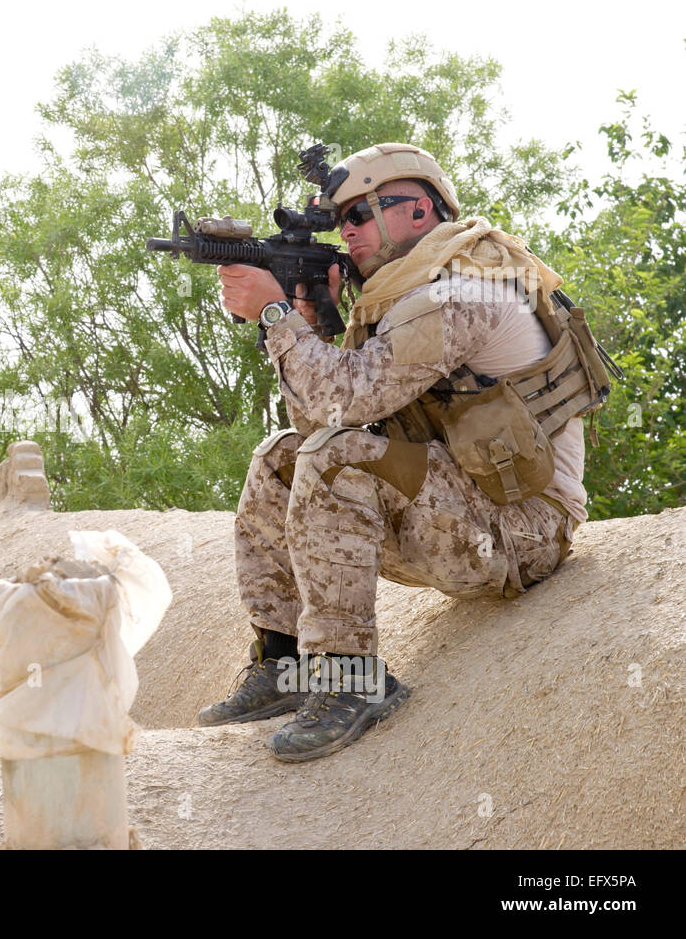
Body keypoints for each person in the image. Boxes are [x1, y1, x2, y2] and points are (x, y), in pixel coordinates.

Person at [198, 143, 612, 761]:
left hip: (524, 531)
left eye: (358, 217)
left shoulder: (465, 287)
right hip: (464, 513)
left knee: (335, 457)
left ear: (418, 209)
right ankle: (284, 664)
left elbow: (341, 407)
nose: (347, 234)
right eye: (341, 222)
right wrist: (309, 322)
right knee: (280, 456)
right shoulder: (397, 297)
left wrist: (276, 313)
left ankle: (349, 679)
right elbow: (314, 425)